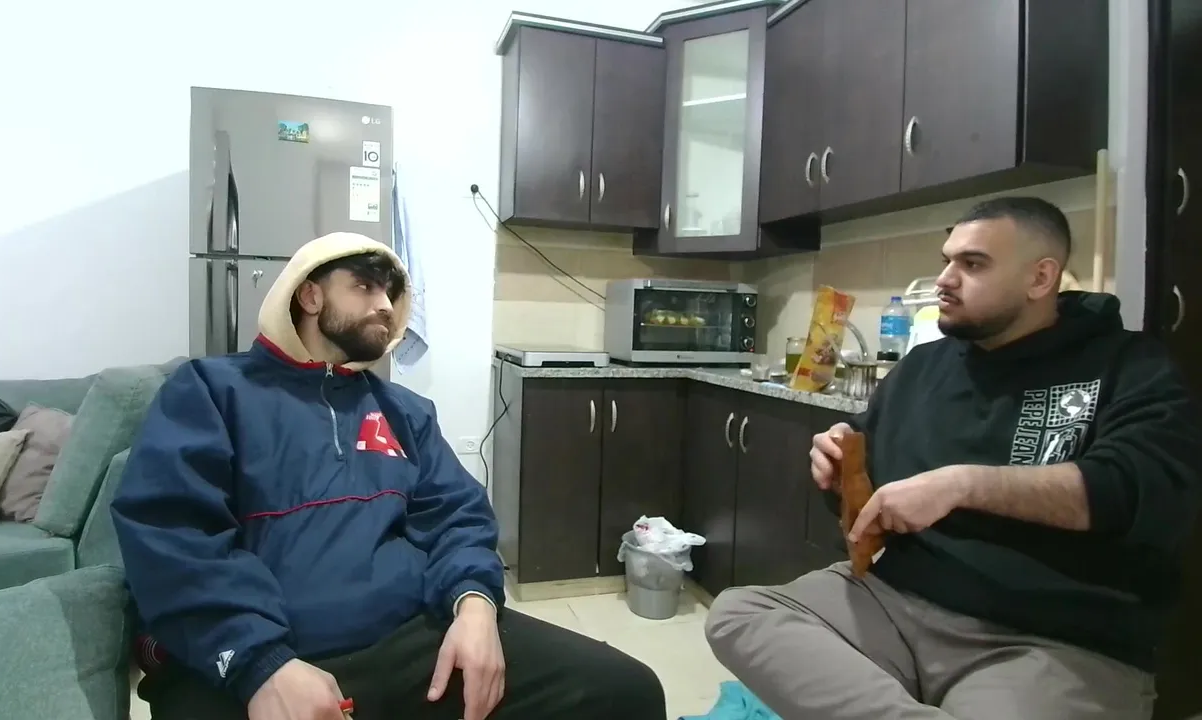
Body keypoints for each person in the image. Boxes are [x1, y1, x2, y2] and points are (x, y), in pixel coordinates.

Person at [112, 232, 666, 720]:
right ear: (310, 295)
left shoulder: (403, 411)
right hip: (261, 656)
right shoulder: (212, 391)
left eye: (390, 293)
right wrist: (261, 663)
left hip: (411, 642)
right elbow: (172, 535)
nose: (385, 305)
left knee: (626, 691)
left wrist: (475, 605)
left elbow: (458, 516)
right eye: (364, 287)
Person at [705, 197, 1202, 719]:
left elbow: (1136, 492)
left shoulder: (1130, 366)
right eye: (947, 260)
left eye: (973, 264)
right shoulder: (923, 366)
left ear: (1040, 278)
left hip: (1051, 638)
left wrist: (963, 485)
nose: (944, 279)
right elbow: (872, 501)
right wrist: (838, 467)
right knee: (740, 614)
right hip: (895, 600)